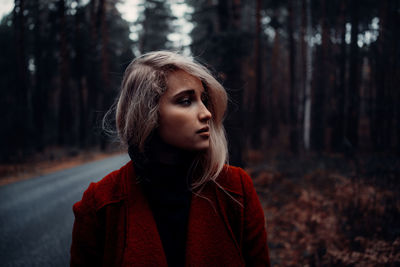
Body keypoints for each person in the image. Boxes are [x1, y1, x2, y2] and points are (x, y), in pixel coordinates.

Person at [70, 51, 270, 267]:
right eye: (185, 101)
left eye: (203, 99)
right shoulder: (100, 203)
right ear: (148, 113)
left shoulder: (235, 189)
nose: (206, 114)